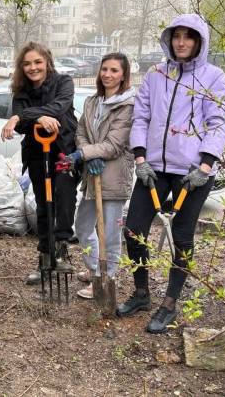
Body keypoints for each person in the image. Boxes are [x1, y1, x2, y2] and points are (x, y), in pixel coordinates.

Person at [118, 13, 225, 333]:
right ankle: (141, 293)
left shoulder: (213, 77)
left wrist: (205, 165)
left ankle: (169, 302)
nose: (181, 42)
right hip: (153, 168)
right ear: (170, 39)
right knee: (133, 230)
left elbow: (217, 124)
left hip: (192, 171)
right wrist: (140, 158)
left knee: (181, 236)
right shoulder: (155, 74)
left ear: (199, 42)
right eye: (177, 36)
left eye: (189, 36)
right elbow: (140, 118)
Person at [1, 41, 78, 283]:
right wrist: (38, 117)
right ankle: (45, 258)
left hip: (65, 150)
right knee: (43, 205)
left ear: (47, 62)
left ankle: (62, 249)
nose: (32, 67)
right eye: (27, 64)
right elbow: (22, 124)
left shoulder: (63, 82)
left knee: (64, 197)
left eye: (37, 62)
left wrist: (23, 115)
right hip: (36, 153)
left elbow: (60, 106)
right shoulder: (21, 92)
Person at [68, 53, 135, 299]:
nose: (108, 74)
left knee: (109, 234)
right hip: (92, 176)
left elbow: (115, 144)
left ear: (123, 75)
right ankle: (96, 269)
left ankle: (106, 279)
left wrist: (84, 154)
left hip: (114, 177)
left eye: (114, 70)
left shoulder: (127, 106)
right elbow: (81, 132)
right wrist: (88, 154)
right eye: (104, 69)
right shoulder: (91, 102)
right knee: (84, 226)